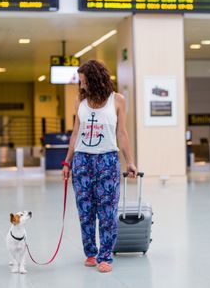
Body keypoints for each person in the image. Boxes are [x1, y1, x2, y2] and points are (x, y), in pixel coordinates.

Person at [62, 59, 137, 273]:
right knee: (85, 211)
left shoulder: (118, 100)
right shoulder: (80, 102)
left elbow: (121, 134)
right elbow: (75, 134)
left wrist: (130, 161)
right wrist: (67, 162)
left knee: (107, 211)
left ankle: (105, 256)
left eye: (84, 81)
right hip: (82, 161)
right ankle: (91, 253)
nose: (81, 85)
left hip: (107, 160)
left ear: (95, 80)